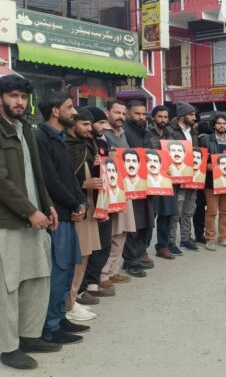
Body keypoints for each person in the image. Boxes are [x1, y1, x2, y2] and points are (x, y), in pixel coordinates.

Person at [0, 75, 61, 370]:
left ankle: (28, 335)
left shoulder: (25, 128)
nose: (19, 102)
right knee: (8, 286)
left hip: (35, 217)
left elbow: (36, 173)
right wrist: (29, 211)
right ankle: (7, 347)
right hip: (9, 222)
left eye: (23, 97)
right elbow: (1, 181)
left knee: (36, 277)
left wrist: (47, 205)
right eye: (13, 96)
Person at [35, 91, 90, 345]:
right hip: (56, 216)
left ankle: (61, 316)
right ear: (56, 111)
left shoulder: (61, 138)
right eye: (69, 107)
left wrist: (82, 203)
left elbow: (70, 178)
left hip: (70, 213)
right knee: (57, 274)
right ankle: (50, 326)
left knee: (67, 270)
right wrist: (74, 203)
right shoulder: (41, 138)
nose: (74, 112)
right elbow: (51, 181)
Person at [63, 108, 103, 319]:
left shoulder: (85, 145)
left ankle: (74, 298)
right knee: (76, 256)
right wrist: (84, 183)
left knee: (85, 253)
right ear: (73, 124)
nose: (90, 128)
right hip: (74, 206)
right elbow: (59, 179)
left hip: (89, 203)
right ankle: (67, 305)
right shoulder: (65, 145)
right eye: (85, 124)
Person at [78, 106, 115, 300]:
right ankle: (81, 288)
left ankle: (93, 282)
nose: (104, 126)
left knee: (104, 243)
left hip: (104, 198)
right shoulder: (79, 144)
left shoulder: (100, 142)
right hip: (86, 200)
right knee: (89, 246)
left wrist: (111, 162)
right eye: (100, 122)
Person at [101, 100, 136, 283]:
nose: (120, 116)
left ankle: (113, 271)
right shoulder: (101, 132)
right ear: (108, 112)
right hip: (108, 189)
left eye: (123, 113)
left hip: (124, 188)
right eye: (117, 112)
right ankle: (103, 274)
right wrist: (107, 156)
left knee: (122, 231)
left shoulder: (123, 134)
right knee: (110, 232)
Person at [121, 100, 155, 278]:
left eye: (143, 114)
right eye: (137, 114)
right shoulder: (124, 133)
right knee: (132, 226)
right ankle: (131, 261)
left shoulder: (147, 133)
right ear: (128, 113)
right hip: (130, 185)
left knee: (147, 224)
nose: (141, 117)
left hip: (148, 185)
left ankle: (139, 255)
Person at [144, 106, 181, 260]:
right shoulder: (145, 134)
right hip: (151, 180)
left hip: (167, 180)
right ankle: (142, 250)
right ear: (153, 118)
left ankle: (162, 247)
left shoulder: (171, 135)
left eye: (166, 117)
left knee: (166, 215)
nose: (163, 120)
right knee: (148, 217)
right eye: (160, 116)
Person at [199, 115, 226, 251]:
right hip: (211, 182)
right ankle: (210, 239)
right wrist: (205, 166)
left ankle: (224, 238)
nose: (222, 126)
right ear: (214, 125)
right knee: (211, 211)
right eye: (219, 123)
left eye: (224, 123)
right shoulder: (206, 140)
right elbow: (198, 159)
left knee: (225, 211)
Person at [169, 101, 200, 252]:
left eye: (194, 114)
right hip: (178, 178)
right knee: (176, 211)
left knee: (189, 210)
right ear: (182, 116)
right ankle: (171, 242)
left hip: (193, 177)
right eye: (191, 114)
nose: (194, 117)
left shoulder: (193, 132)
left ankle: (185, 239)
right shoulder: (171, 131)